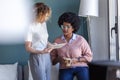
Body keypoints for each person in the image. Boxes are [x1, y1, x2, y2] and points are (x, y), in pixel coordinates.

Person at [50, 12, 93, 80]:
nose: (64, 29)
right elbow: (53, 61)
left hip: (81, 67)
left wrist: (74, 60)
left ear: (73, 28)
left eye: (67, 26)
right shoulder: (57, 41)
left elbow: (89, 57)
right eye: (63, 26)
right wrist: (60, 59)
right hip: (65, 68)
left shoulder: (81, 40)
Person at [25, 2, 53, 80]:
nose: (47, 18)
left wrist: (52, 45)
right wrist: (41, 52)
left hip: (46, 56)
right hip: (37, 57)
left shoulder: (43, 24)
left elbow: (44, 41)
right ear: (40, 14)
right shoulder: (30, 26)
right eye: (46, 15)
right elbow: (27, 48)